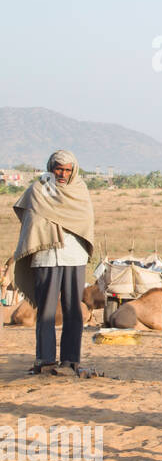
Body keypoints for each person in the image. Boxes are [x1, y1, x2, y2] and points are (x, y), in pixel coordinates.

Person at [11, 150, 95, 376]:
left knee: (73, 310)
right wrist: (45, 229)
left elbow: (85, 221)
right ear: (51, 166)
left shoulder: (80, 190)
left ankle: (71, 361)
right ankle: (45, 360)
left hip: (74, 255)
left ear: (73, 170)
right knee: (46, 311)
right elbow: (29, 219)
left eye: (67, 169)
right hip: (46, 254)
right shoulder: (39, 189)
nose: (63, 173)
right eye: (59, 168)